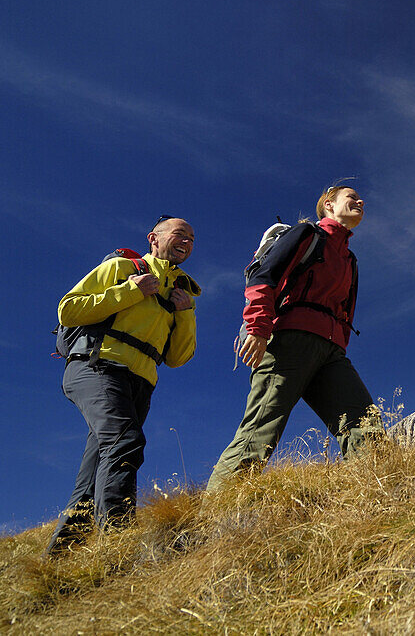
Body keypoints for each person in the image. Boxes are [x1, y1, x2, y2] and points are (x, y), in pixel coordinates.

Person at [206, 185, 383, 493]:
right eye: (351, 197)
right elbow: (263, 276)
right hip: (289, 340)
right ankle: (214, 520)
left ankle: (374, 500)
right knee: (260, 431)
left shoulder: (349, 259)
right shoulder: (307, 235)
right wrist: (259, 328)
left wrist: (339, 343)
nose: (360, 201)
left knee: (365, 426)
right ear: (328, 205)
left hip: (331, 352)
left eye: (360, 199)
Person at [46, 216, 199, 556]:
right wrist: (132, 289)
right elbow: (68, 310)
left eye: (191, 238)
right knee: (125, 441)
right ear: (153, 239)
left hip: (140, 383)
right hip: (96, 367)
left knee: (97, 467)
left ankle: (61, 559)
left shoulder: (181, 292)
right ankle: (119, 541)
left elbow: (177, 358)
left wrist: (185, 313)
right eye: (179, 234)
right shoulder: (121, 267)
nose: (187, 241)